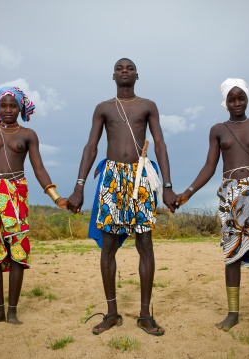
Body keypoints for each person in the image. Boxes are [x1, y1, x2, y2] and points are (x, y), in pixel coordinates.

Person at [67, 58, 177, 336]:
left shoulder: (148, 106)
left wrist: (167, 185)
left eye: (129, 68)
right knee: (108, 245)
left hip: (140, 175)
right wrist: (79, 186)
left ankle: (144, 315)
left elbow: (160, 143)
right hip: (112, 177)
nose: (124, 71)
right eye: (119, 68)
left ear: (137, 76)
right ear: (113, 76)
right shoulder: (103, 108)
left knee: (145, 243)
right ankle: (112, 313)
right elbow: (91, 146)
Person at [175, 78, 249, 331]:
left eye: (241, 97)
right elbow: (210, 165)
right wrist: (189, 192)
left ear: (247, 98)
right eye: (232, 98)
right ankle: (233, 314)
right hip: (231, 194)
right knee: (232, 254)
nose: (237, 103)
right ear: (225, 102)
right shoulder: (218, 129)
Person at [0, 86, 67, 328]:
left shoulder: (28, 134)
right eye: (4, 106)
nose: (8, 110)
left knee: (18, 253)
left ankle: (12, 312)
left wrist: (56, 197)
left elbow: (38, 168)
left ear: (20, 107)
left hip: (15, 196)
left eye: (13, 106)